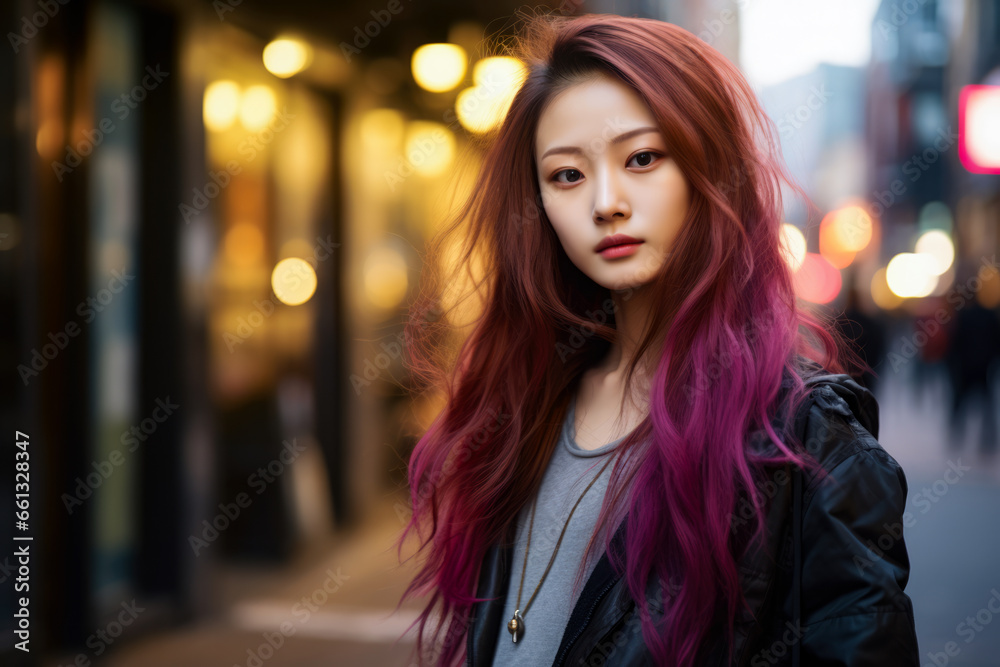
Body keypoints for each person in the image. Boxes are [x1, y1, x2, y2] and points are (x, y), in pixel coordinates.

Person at [394, 12, 920, 666]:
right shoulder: (526, 405)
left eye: (642, 158)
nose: (605, 201)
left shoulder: (807, 441)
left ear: (710, 170)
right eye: (567, 175)